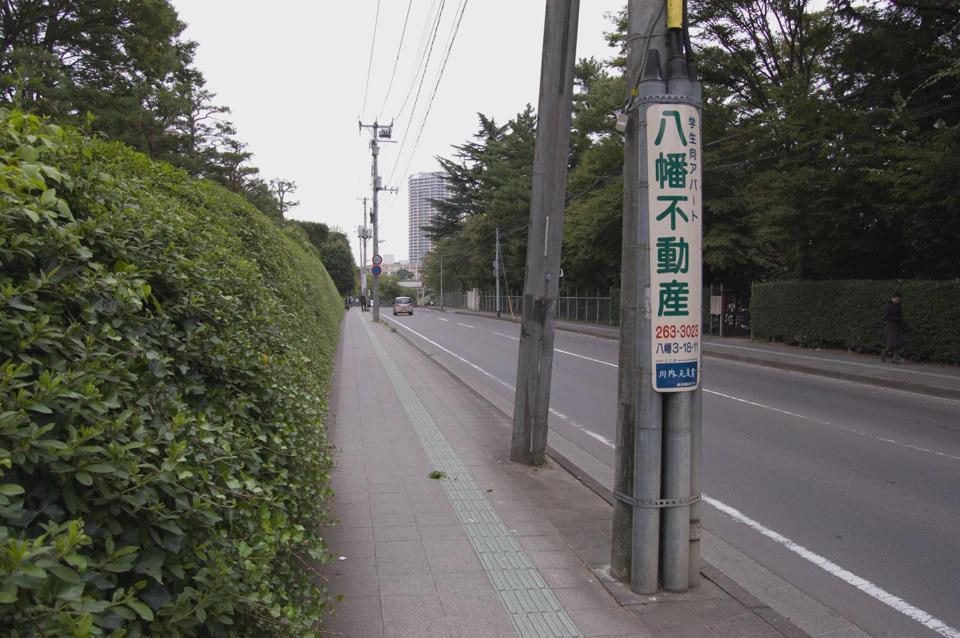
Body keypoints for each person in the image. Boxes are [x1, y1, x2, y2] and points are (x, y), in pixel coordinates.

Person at [881, 292, 905, 365]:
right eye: (896, 299)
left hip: (898, 326)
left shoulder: (898, 305)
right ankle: (884, 352)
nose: (897, 301)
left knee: (898, 344)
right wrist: (897, 318)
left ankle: (894, 359)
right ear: (892, 298)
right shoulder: (889, 306)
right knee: (891, 344)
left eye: (898, 299)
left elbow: (900, 314)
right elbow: (886, 317)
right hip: (891, 326)